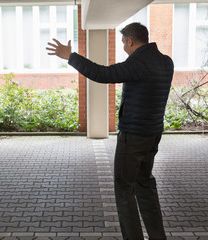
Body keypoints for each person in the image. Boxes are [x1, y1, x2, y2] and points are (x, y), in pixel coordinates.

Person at [46, 22, 173, 240]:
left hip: (133, 137)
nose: (124, 47)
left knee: (124, 190)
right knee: (145, 184)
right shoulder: (166, 62)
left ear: (130, 41)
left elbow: (103, 74)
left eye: (124, 42)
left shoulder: (138, 63)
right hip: (153, 135)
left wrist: (71, 56)